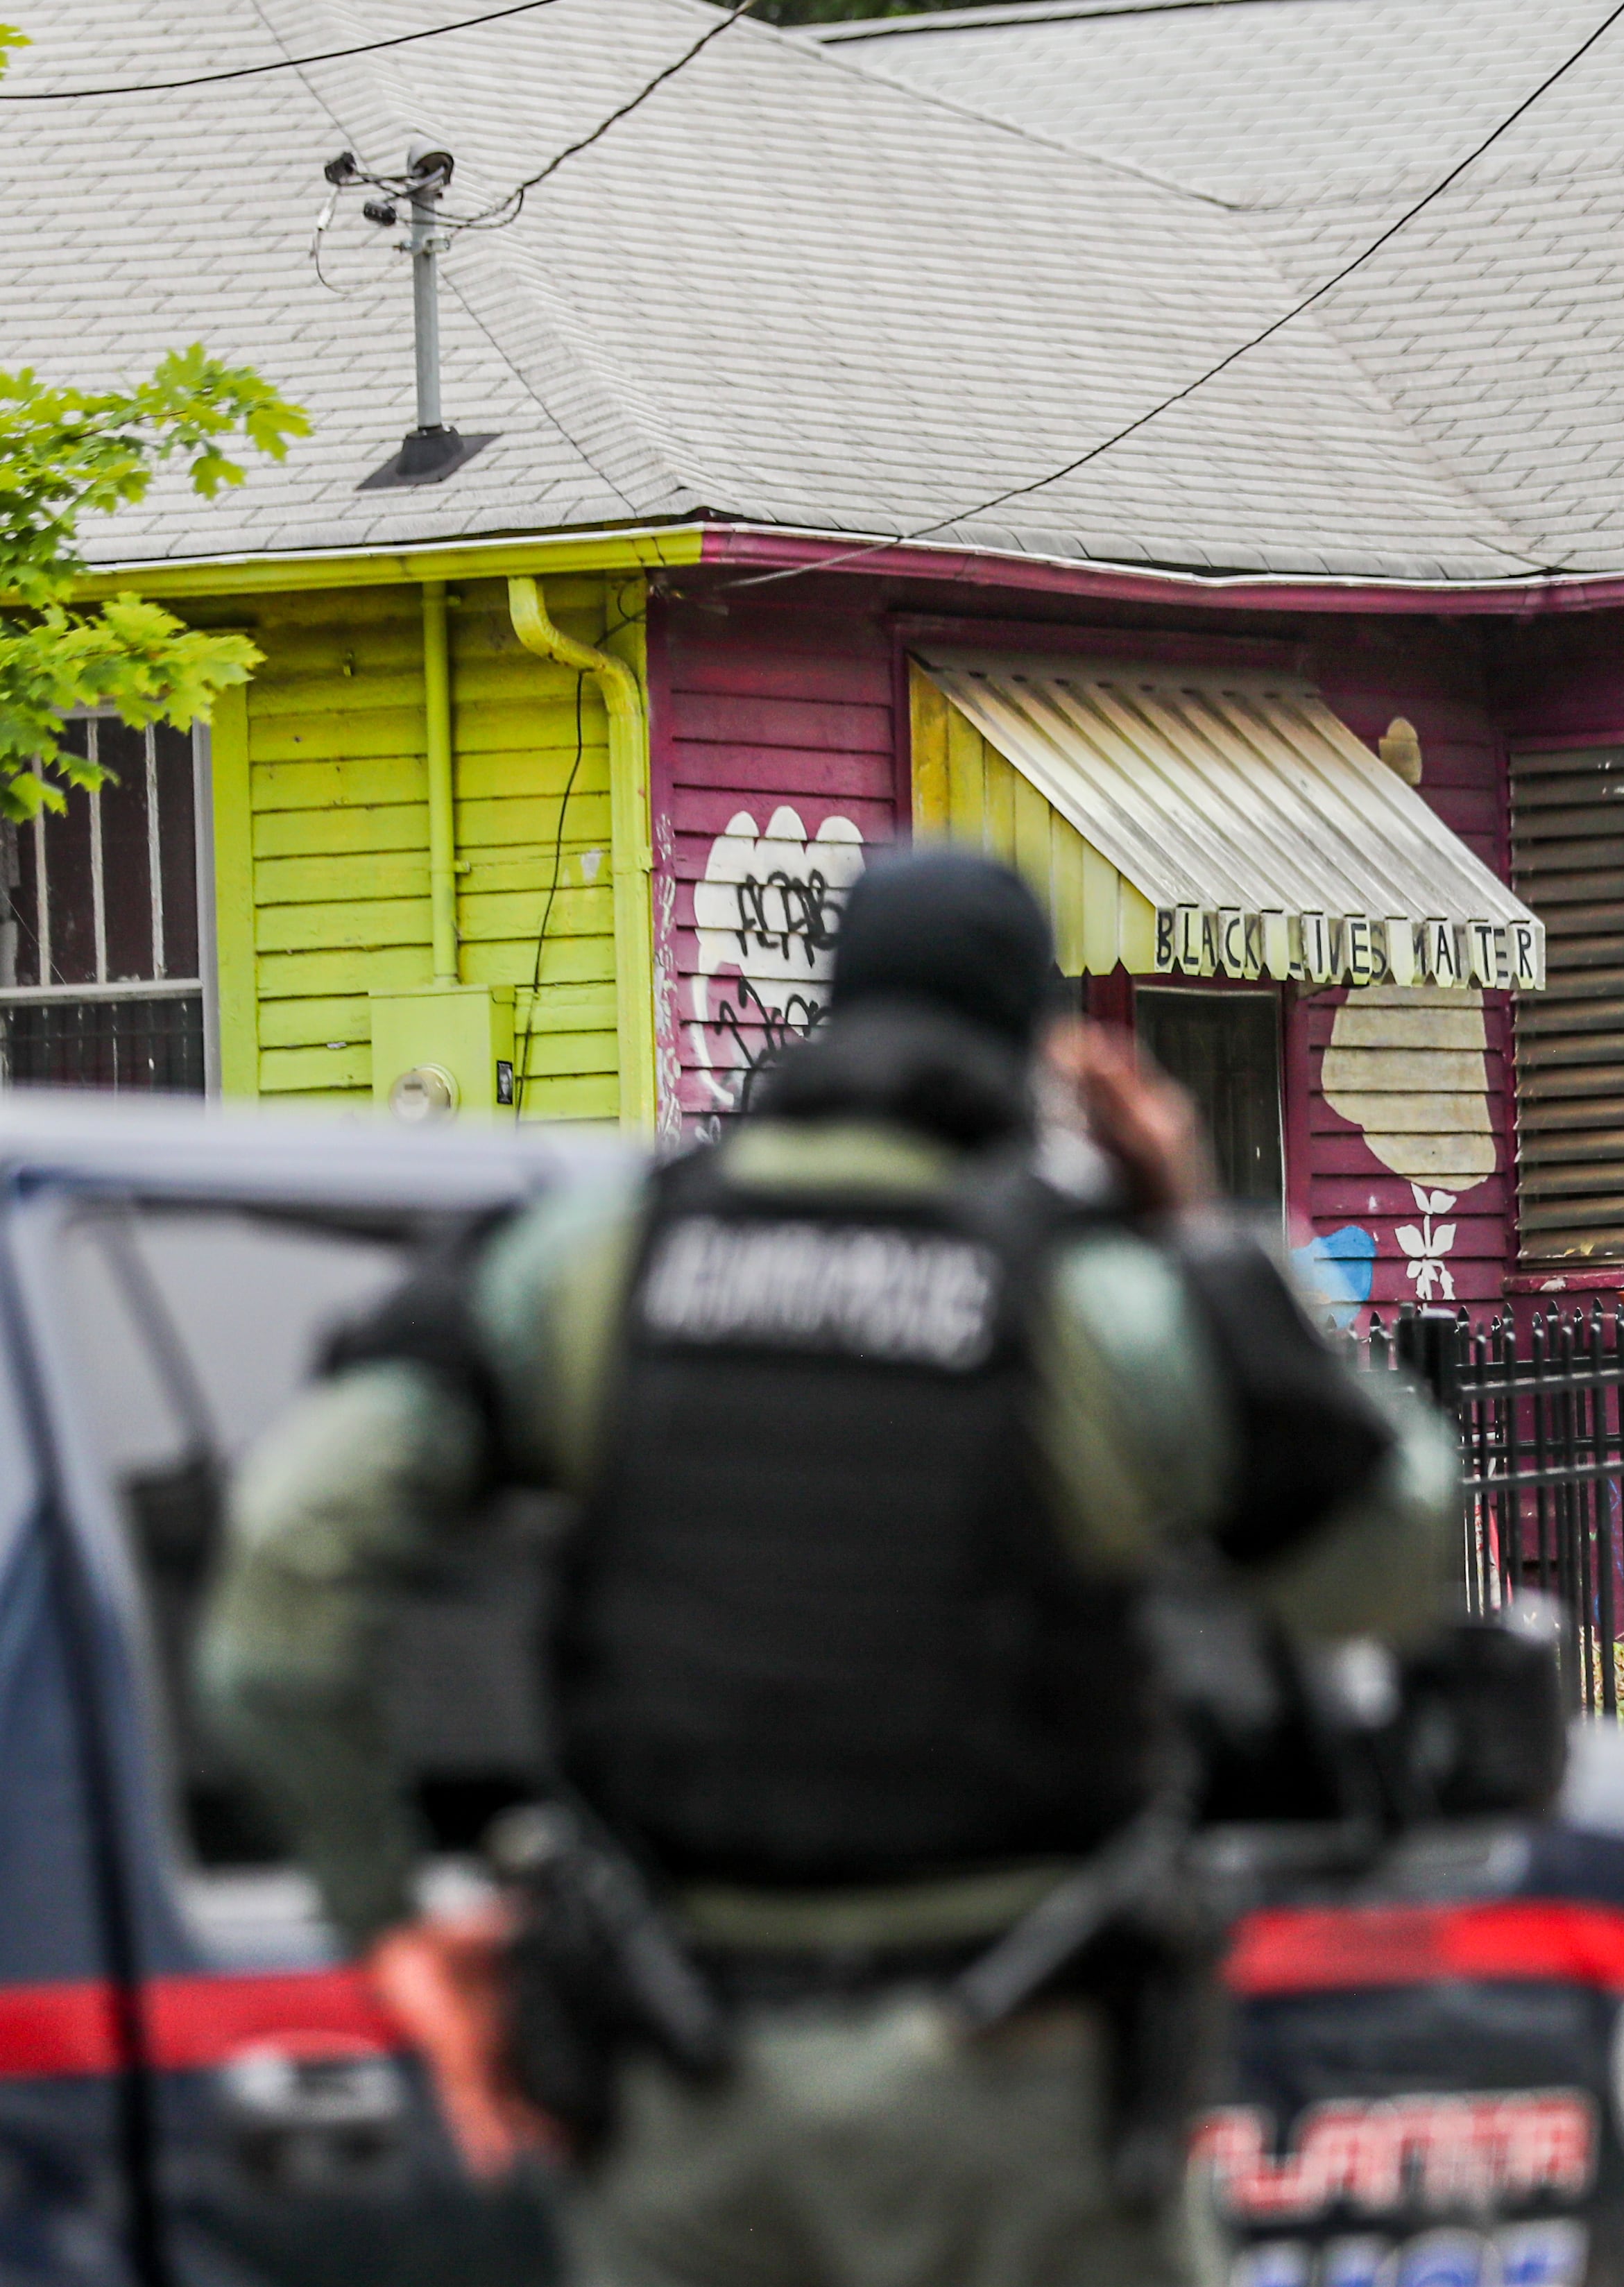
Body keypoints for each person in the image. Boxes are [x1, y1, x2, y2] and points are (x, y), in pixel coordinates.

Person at [197, 848, 1460, 2287]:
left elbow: (281, 1595)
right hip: (1021, 2121)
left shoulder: (596, 1268)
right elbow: (1384, 1569)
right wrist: (1201, 1241)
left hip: (685, 2110)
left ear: (834, 1010)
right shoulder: (1096, 1307)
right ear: (1043, 1048)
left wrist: (390, 1924)